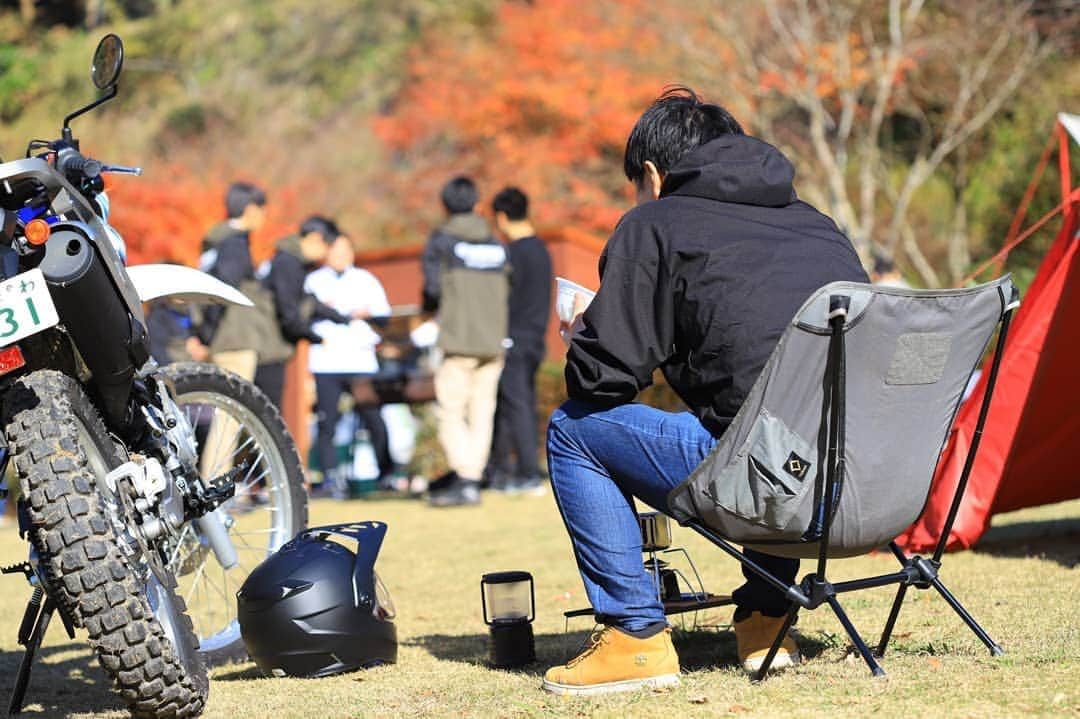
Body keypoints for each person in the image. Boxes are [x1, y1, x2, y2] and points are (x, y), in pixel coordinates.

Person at [542, 87, 869, 695]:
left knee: (572, 430)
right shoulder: (817, 225)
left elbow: (601, 382)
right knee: (776, 416)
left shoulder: (656, 224)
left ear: (651, 175)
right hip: (869, 489)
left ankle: (634, 638)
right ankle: (766, 620)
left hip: (774, 485)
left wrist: (591, 329)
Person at [421, 176, 511, 507]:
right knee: (482, 410)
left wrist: (430, 312)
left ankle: (466, 477)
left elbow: (431, 290)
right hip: (493, 338)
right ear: (476, 205)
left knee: (450, 410)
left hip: (459, 338)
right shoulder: (494, 242)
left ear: (445, 206)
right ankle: (472, 476)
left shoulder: (442, 240)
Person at [305, 233, 394, 495]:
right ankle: (330, 478)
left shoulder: (366, 280)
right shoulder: (313, 282)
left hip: (361, 361)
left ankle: (387, 474)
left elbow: (384, 317)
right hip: (326, 361)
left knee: (374, 418)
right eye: (336, 250)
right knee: (327, 423)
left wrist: (366, 314)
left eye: (347, 250)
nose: (342, 255)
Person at [484, 187, 552, 495]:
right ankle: (501, 469)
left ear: (501, 216)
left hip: (514, 337)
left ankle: (527, 473)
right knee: (513, 404)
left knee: (517, 404)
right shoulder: (541, 249)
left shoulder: (512, 253)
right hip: (535, 337)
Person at [254, 216, 353, 409]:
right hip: (265, 349)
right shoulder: (287, 263)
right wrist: (316, 337)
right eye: (326, 247)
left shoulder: (291, 261)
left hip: (268, 347)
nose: (324, 255)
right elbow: (289, 313)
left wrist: (341, 318)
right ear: (315, 238)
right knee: (266, 415)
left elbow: (307, 302)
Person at [190, 181, 267, 381]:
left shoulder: (217, 242)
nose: (264, 217)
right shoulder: (235, 245)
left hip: (218, 337)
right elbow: (224, 290)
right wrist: (206, 336)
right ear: (251, 210)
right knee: (233, 410)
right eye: (262, 210)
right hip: (234, 341)